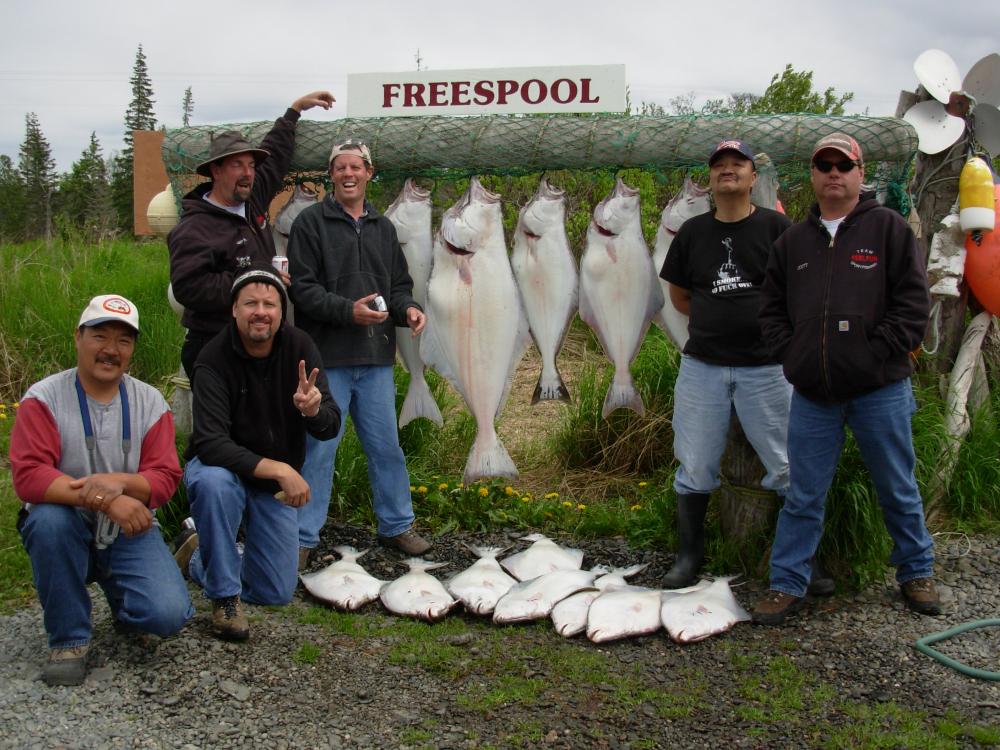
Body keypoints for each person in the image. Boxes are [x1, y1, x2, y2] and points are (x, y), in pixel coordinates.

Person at [753, 133, 939, 625]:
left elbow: (914, 304)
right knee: (803, 493)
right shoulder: (793, 242)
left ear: (860, 174)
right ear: (812, 176)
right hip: (814, 394)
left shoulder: (890, 229)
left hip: (881, 390)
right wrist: (793, 355)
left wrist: (875, 352)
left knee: (897, 485)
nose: (834, 173)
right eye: (824, 165)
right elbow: (771, 310)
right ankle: (786, 582)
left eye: (843, 165)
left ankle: (916, 572)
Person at [10, 295, 193, 686]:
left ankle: (124, 602)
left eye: (124, 341)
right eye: (100, 336)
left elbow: (164, 476)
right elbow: (29, 476)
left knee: (169, 614)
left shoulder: (151, 403)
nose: (110, 350)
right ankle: (69, 639)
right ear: (78, 337)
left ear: (132, 350)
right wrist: (105, 499)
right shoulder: (42, 398)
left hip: (129, 529)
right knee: (47, 520)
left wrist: (121, 484)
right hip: (68, 522)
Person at [288, 138, 430, 565]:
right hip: (326, 361)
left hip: (376, 361)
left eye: (357, 167)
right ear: (331, 175)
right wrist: (348, 312)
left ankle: (397, 525)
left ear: (369, 173)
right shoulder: (309, 224)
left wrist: (408, 309)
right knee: (320, 450)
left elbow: (398, 285)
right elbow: (303, 290)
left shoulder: (384, 229)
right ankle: (302, 536)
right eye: (340, 168)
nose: (348, 174)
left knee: (386, 446)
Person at [659, 139, 793, 588]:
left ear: (754, 178)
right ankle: (689, 557)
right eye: (719, 166)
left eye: (738, 164)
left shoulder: (778, 228)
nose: (728, 170)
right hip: (703, 368)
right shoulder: (693, 233)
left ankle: (795, 559)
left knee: (786, 464)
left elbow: (797, 289)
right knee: (694, 462)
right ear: (712, 179)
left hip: (768, 369)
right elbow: (679, 296)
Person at [182, 268, 340, 641]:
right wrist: (280, 469)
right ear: (234, 310)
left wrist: (313, 410)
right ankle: (224, 599)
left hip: (269, 485)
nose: (261, 311)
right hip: (226, 470)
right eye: (250, 303)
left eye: (270, 304)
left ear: (281, 313)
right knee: (214, 483)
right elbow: (209, 442)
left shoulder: (300, 347)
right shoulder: (213, 358)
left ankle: (196, 556)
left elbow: (331, 424)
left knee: (275, 592)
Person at [168, 91, 335, 380]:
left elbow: (276, 155)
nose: (248, 173)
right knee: (223, 425)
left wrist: (294, 110)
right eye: (237, 165)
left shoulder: (252, 199)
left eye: (251, 165)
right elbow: (189, 288)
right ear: (215, 170)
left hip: (260, 342)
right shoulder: (194, 227)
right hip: (214, 346)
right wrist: (257, 277)